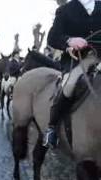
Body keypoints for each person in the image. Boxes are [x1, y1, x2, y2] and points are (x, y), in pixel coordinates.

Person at [43, 0, 101, 148]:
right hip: (79, 59)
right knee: (70, 85)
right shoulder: (65, 10)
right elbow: (53, 37)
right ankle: (52, 127)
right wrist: (69, 41)